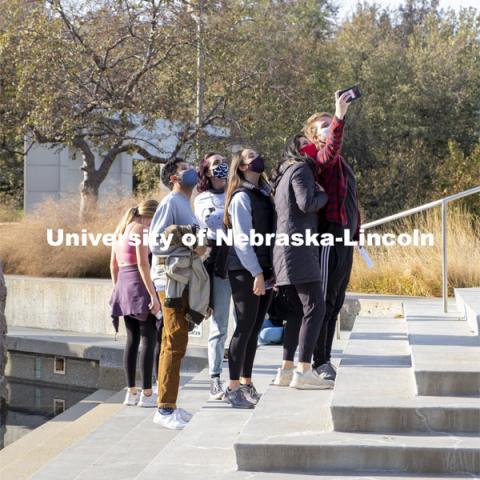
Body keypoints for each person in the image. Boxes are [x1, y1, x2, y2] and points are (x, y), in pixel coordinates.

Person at [302, 90, 361, 382]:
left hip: (345, 237)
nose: (329, 127)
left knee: (337, 299)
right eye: (323, 126)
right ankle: (317, 360)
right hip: (327, 236)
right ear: (314, 137)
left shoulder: (339, 162)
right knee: (323, 299)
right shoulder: (315, 156)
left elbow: (350, 199)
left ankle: (325, 356)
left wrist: (356, 232)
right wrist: (338, 114)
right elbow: (329, 150)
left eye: (330, 123)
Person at [149, 158, 209, 430]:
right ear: (173, 177)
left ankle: (170, 403)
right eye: (185, 169)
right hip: (170, 279)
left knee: (178, 341)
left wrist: (195, 241)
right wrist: (190, 238)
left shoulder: (187, 203)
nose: (192, 172)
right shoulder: (171, 202)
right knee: (173, 341)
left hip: (182, 277)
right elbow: (156, 241)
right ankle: (164, 409)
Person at [271, 134, 333, 389]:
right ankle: (304, 370)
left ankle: (286, 369)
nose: (315, 145)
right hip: (298, 247)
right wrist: (324, 196)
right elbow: (306, 203)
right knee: (316, 307)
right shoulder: (301, 168)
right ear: (299, 149)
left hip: (285, 249)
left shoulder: (285, 173)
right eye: (308, 141)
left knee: (298, 311)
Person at [222, 148, 275, 409]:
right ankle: (232, 387)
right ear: (241, 166)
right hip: (245, 270)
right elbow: (242, 242)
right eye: (251, 155)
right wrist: (256, 273)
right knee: (244, 328)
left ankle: (246, 382)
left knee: (254, 330)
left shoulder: (264, 193)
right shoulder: (241, 197)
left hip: (263, 269)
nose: (258, 158)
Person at [110, 200, 161, 408]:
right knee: (149, 338)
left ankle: (130, 392)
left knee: (132, 341)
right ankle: (147, 394)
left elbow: (113, 265)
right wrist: (152, 295)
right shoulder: (141, 230)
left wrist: (118, 290)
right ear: (149, 216)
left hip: (123, 284)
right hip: (139, 284)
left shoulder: (120, 231)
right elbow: (142, 263)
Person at [194, 152, 232, 400]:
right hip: (218, 261)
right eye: (215, 163)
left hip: (242, 256)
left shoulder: (236, 192)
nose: (222, 166)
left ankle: (240, 377)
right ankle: (215, 378)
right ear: (207, 171)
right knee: (219, 324)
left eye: (223, 161)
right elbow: (213, 223)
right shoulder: (202, 199)